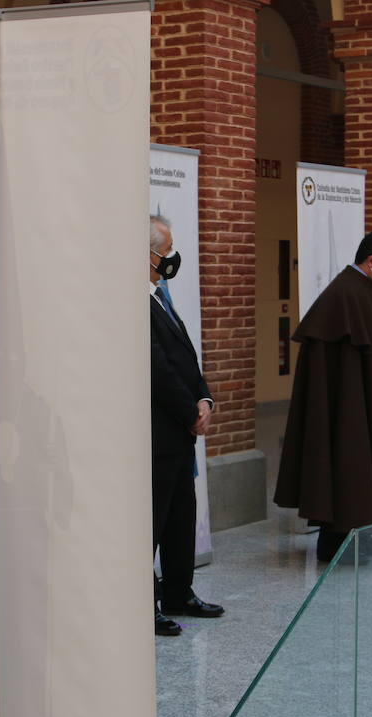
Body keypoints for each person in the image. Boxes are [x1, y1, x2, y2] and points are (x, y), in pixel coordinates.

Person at [274, 229, 372, 563]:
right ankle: (336, 540)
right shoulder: (345, 293)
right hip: (345, 406)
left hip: (364, 398)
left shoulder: (363, 290)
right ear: (371, 261)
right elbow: (338, 363)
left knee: (364, 462)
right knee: (347, 462)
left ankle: (362, 533)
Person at [149, 214, 224, 636]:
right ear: (149, 254)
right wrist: (188, 410)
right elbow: (157, 368)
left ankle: (179, 592)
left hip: (180, 430)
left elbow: (185, 357)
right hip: (160, 431)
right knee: (155, 521)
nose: (171, 257)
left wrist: (204, 398)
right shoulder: (135, 300)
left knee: (181, 516)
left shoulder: (161, 295)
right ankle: (149, 603)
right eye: (167, 249)